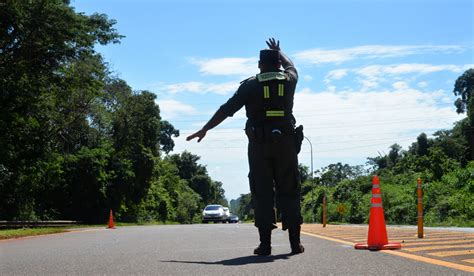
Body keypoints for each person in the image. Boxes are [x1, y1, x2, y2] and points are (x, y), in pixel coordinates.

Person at [187, 38, 304, 256]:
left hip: (259, 146)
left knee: (262, 192)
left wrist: (205, 129)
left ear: (260, 66)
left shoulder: (251, 86)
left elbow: (226, 109)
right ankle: (295, 244)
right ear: (278, 64)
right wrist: (280, 51)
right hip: (286, 145)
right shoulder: (288, 80)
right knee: (289, 190)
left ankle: (265, 245)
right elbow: (293, 66)